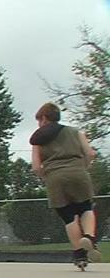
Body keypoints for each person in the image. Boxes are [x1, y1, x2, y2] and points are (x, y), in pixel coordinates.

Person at [30, 102, 101, 265]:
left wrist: (47, 176)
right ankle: (89, 237)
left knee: (68, 217)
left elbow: (36, 167)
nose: (39, 124)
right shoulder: (76, 132)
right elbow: (90, 153)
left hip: (54, 177)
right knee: (86, 208)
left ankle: (79, 255)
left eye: (39, 120)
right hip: (78, 172)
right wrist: (84, 166)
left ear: (44, 118)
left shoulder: (37, 140)